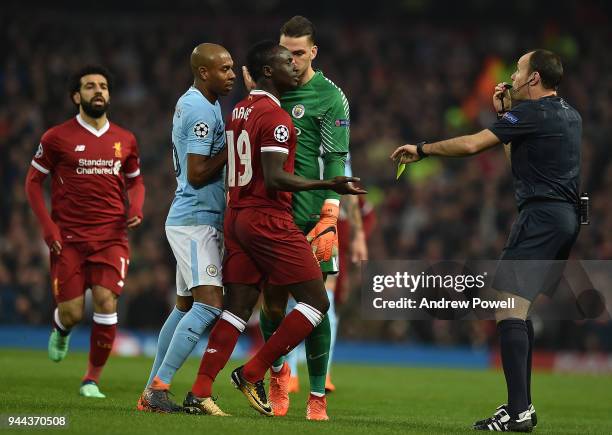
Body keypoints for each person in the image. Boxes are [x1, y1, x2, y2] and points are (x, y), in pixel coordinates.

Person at [391, 49, 581, 432]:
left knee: (507, 305)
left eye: (518, 70)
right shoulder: (570, 115)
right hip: (566, 218)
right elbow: (518, 162)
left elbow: (473, 145)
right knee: (517, 307)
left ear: (533, 78)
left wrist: (423, 149)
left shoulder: (530, 113)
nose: (511, 76)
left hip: (540, 216)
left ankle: (519, 410)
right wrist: (503, 119)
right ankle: (520, 406)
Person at [183, 40, 365, 417]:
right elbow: (276, 177)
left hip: (236, 216)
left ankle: (200, 391)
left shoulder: (239, 110)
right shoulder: (276, 117)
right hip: (268, 218)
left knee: (238, 308)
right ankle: (252, 372)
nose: (292, 66)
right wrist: (326, 185)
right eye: (285, 61)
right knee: (317, 302)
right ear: (268, 71)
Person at [249, 16, 352, 420]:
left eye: (296, 53)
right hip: (272, 216)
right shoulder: (270, 92)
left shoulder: (330, 97)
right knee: (272, 304)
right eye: (283, 53)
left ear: (313, 52)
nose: (289, 61)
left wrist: (330, 213)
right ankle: (277, 376)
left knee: (316, 304)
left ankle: (316, 397)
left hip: (313, 216)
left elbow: (336, 158)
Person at [24, 65, 145, 398]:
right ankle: (61, 327)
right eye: (90, 86)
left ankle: (91, 379)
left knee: (106, 302)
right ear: (76, 96)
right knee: (73, 312)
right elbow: (33, 183)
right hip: (70, 240)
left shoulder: (125, 139)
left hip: (111, 238)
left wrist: (135, 207)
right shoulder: (56, 137)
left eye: (103, 86)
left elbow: (136, 181)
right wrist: (48, 229)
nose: (98, 91)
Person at [137, 43, 235, 414]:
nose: (229, 75)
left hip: (194, 218)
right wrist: (233, 145)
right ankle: (158, 388)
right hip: (196, 218)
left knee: (183, 308)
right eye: (223, 69)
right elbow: (196, 173)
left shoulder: (203, 102)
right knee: (209, 306)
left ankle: (151, 390)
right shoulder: (198, 108)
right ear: (204, 71)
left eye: (232, 68)